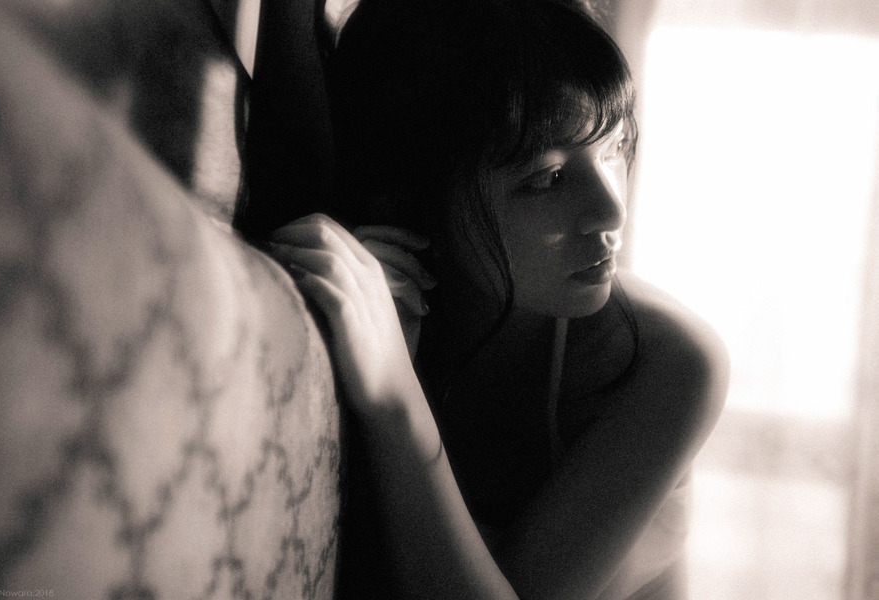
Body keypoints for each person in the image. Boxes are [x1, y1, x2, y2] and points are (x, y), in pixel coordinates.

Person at [269, 0, 729, 598]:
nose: (612, 210)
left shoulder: (669, 361)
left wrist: (393, 392)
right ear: (416, 195)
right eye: (548, 179)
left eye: (613, 148)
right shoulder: (385, 298)